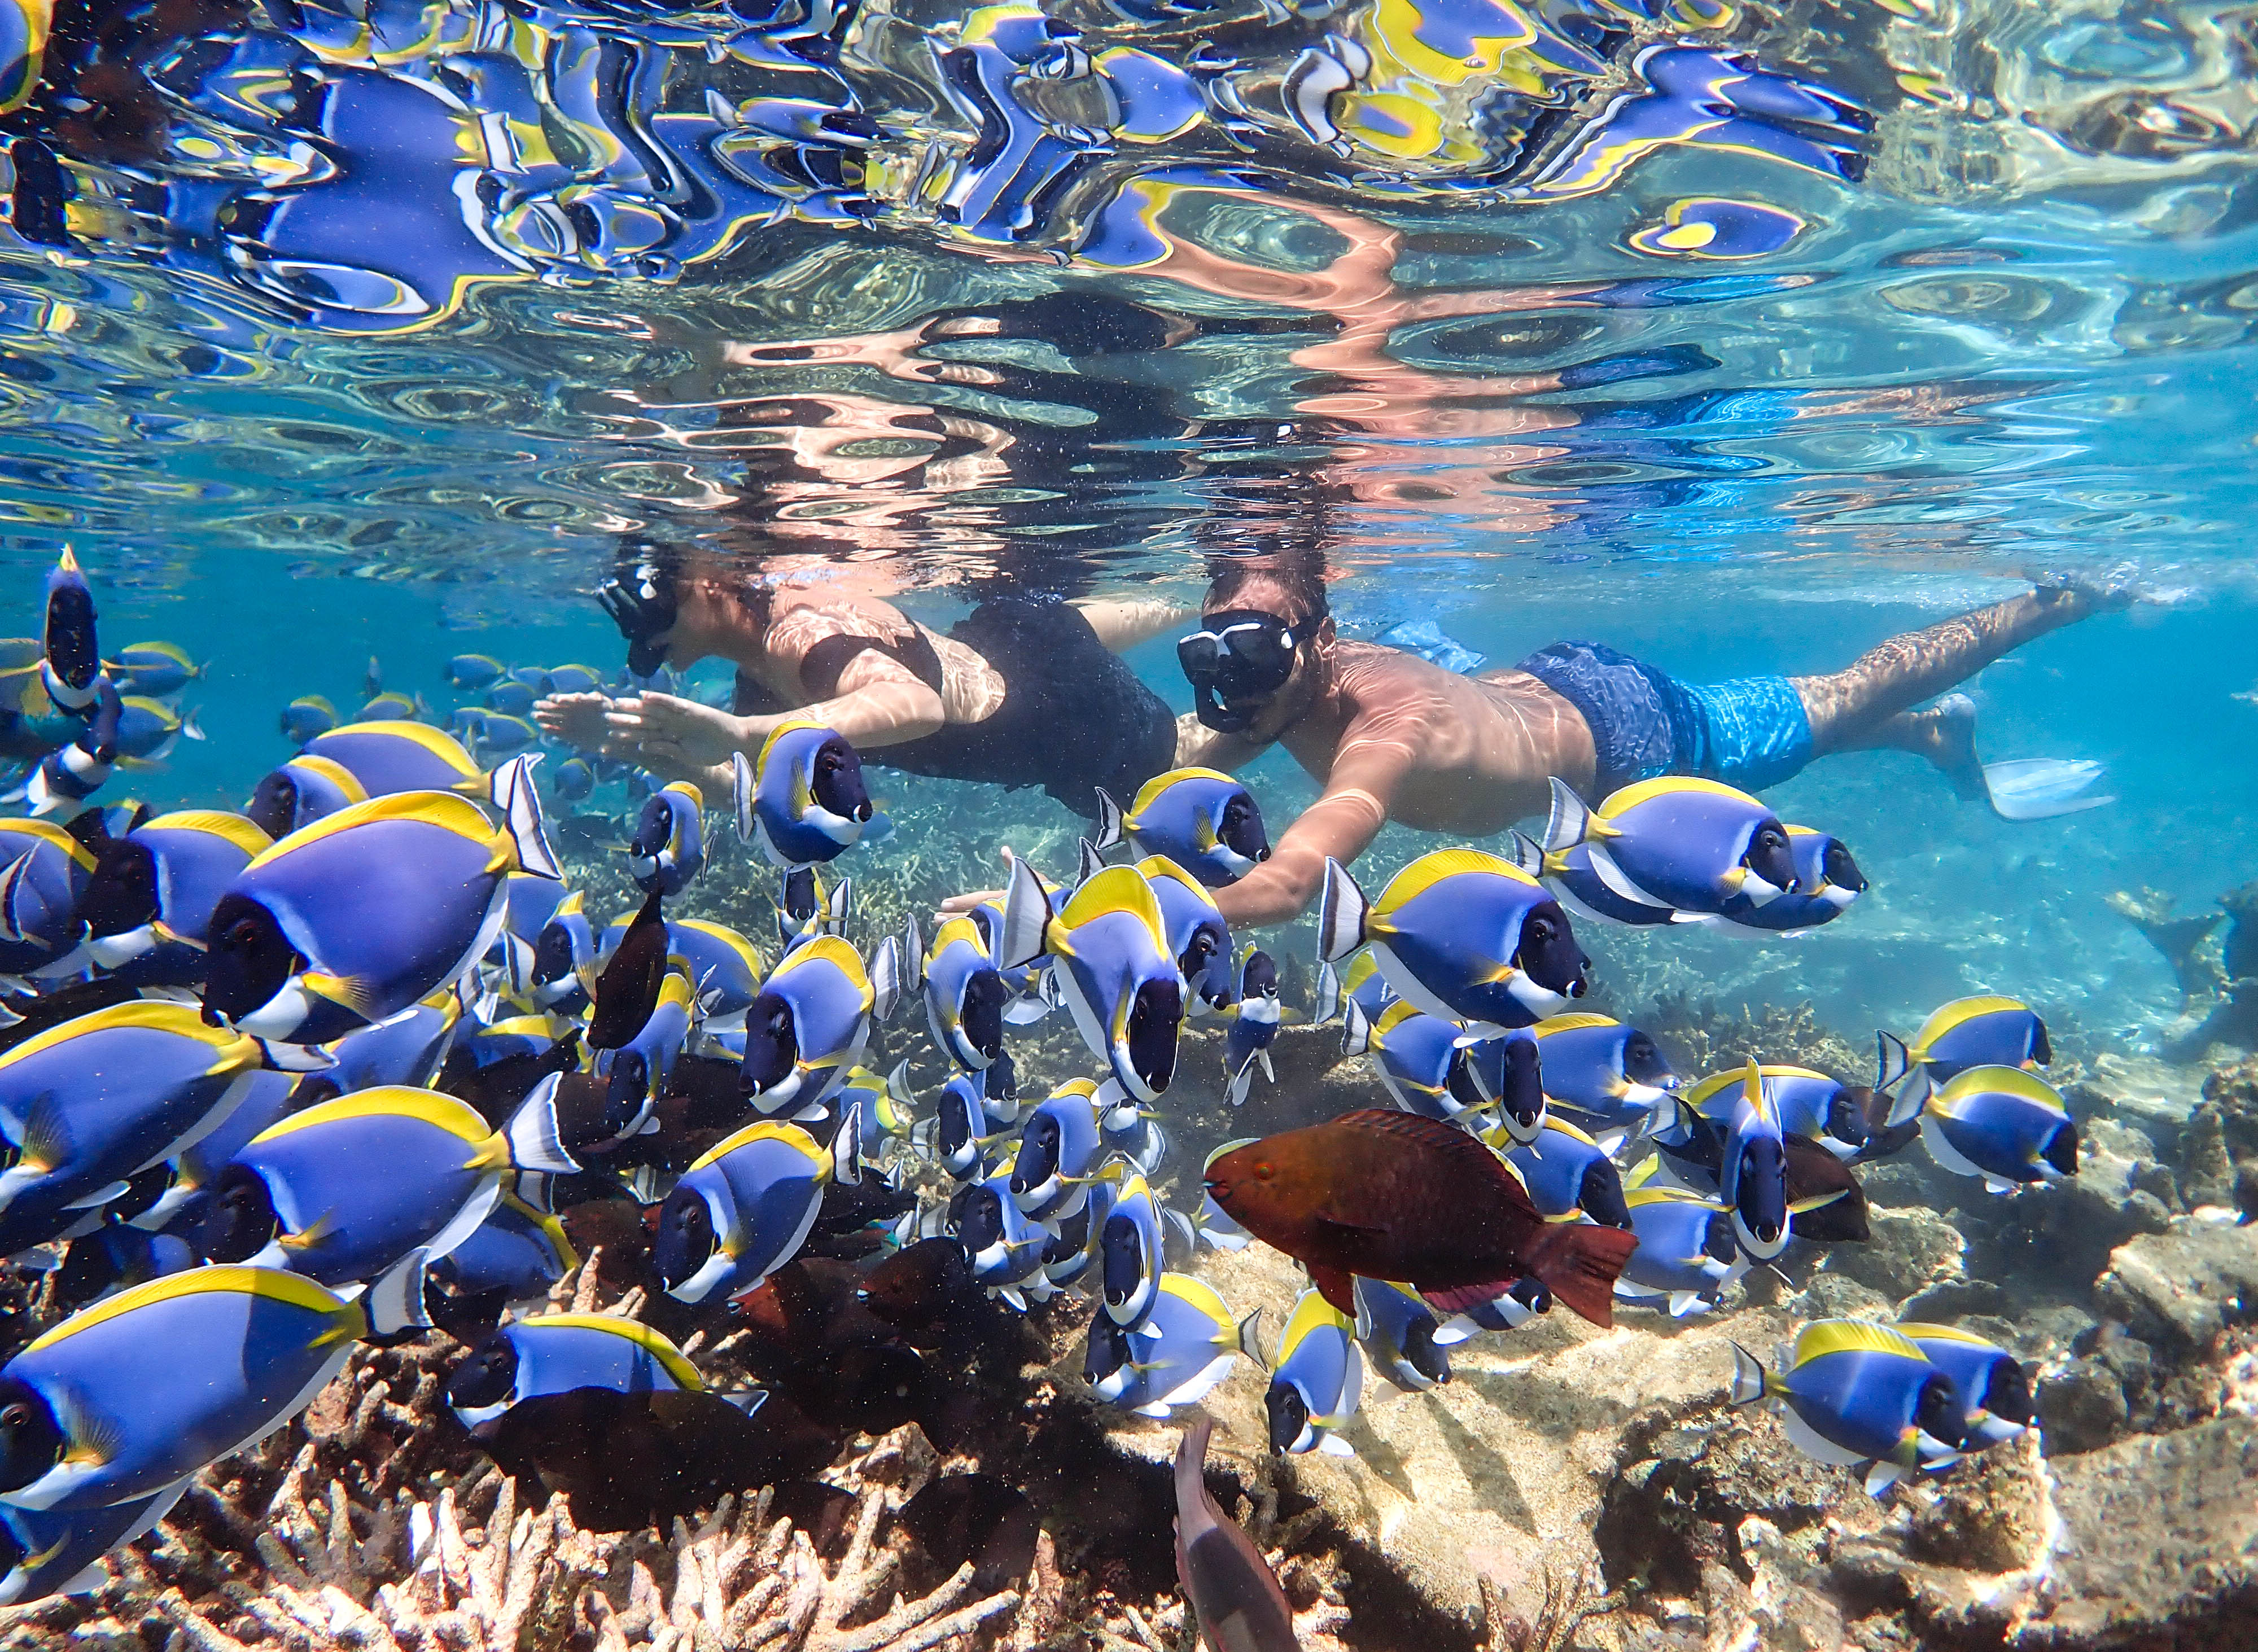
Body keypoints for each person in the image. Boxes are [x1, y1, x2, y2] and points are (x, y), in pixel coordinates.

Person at [1170, 558, 2124, 929]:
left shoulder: (1389, 729)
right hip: (1532, 683)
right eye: (1211, 654)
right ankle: (1928, 738)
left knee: (1847, 694)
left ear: (1322, 646)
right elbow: (1177, 753)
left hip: (1638, 737)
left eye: (1254, 652)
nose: (1232, 682)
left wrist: (1162, 920)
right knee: (1828, 734)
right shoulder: (1288, 690)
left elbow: (1297, 881)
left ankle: (2061, 602)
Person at [535, 545, 1189, 817]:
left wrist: (740, 732)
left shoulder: (801, 636)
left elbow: (915, 704)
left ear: (708, 583)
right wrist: (633, 747)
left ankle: (1206, 610)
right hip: (1001, 650)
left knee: (1183, 756)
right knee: (1064, 627)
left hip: (1043, 719)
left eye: (654, 609)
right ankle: (1187, 602)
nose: (647, 639)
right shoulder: (759, 669)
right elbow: (760, 792)